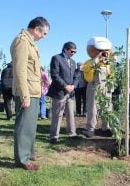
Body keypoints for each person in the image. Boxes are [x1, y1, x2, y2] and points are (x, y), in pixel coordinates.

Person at [11, 16, 50, 170]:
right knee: (23, 127)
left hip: (34, 90)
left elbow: (31, 69)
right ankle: (22, 160)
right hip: (26, 91)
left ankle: (29, 153)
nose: (44, 37)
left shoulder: (30, 43)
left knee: (31, 126)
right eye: (44, 33)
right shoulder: (22, 41)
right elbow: (20, 70)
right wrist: (25, 95)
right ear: (36, 29)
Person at [47, 42, 80, 143]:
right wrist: (65, 86)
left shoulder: (73, 62)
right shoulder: (56, 58)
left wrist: (73, 86)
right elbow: (55, 75)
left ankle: (72, 133)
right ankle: (54, 136)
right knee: (57, 114)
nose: (73, 53)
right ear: (65, 49)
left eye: (75, 52)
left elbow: (76, 76)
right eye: (72, 51)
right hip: (59, 92)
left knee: (70, 113)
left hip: (71, 93)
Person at [82, 37, 113, 137]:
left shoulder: (108, 64)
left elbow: (112, 75)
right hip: (94, 87)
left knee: (107, 108)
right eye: (99, 51)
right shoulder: (88, 63)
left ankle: (106, 128)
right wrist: (95, 60)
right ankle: (90, 129)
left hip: (106, 88)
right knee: (93, 108)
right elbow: (88, 77)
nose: (102, 53)